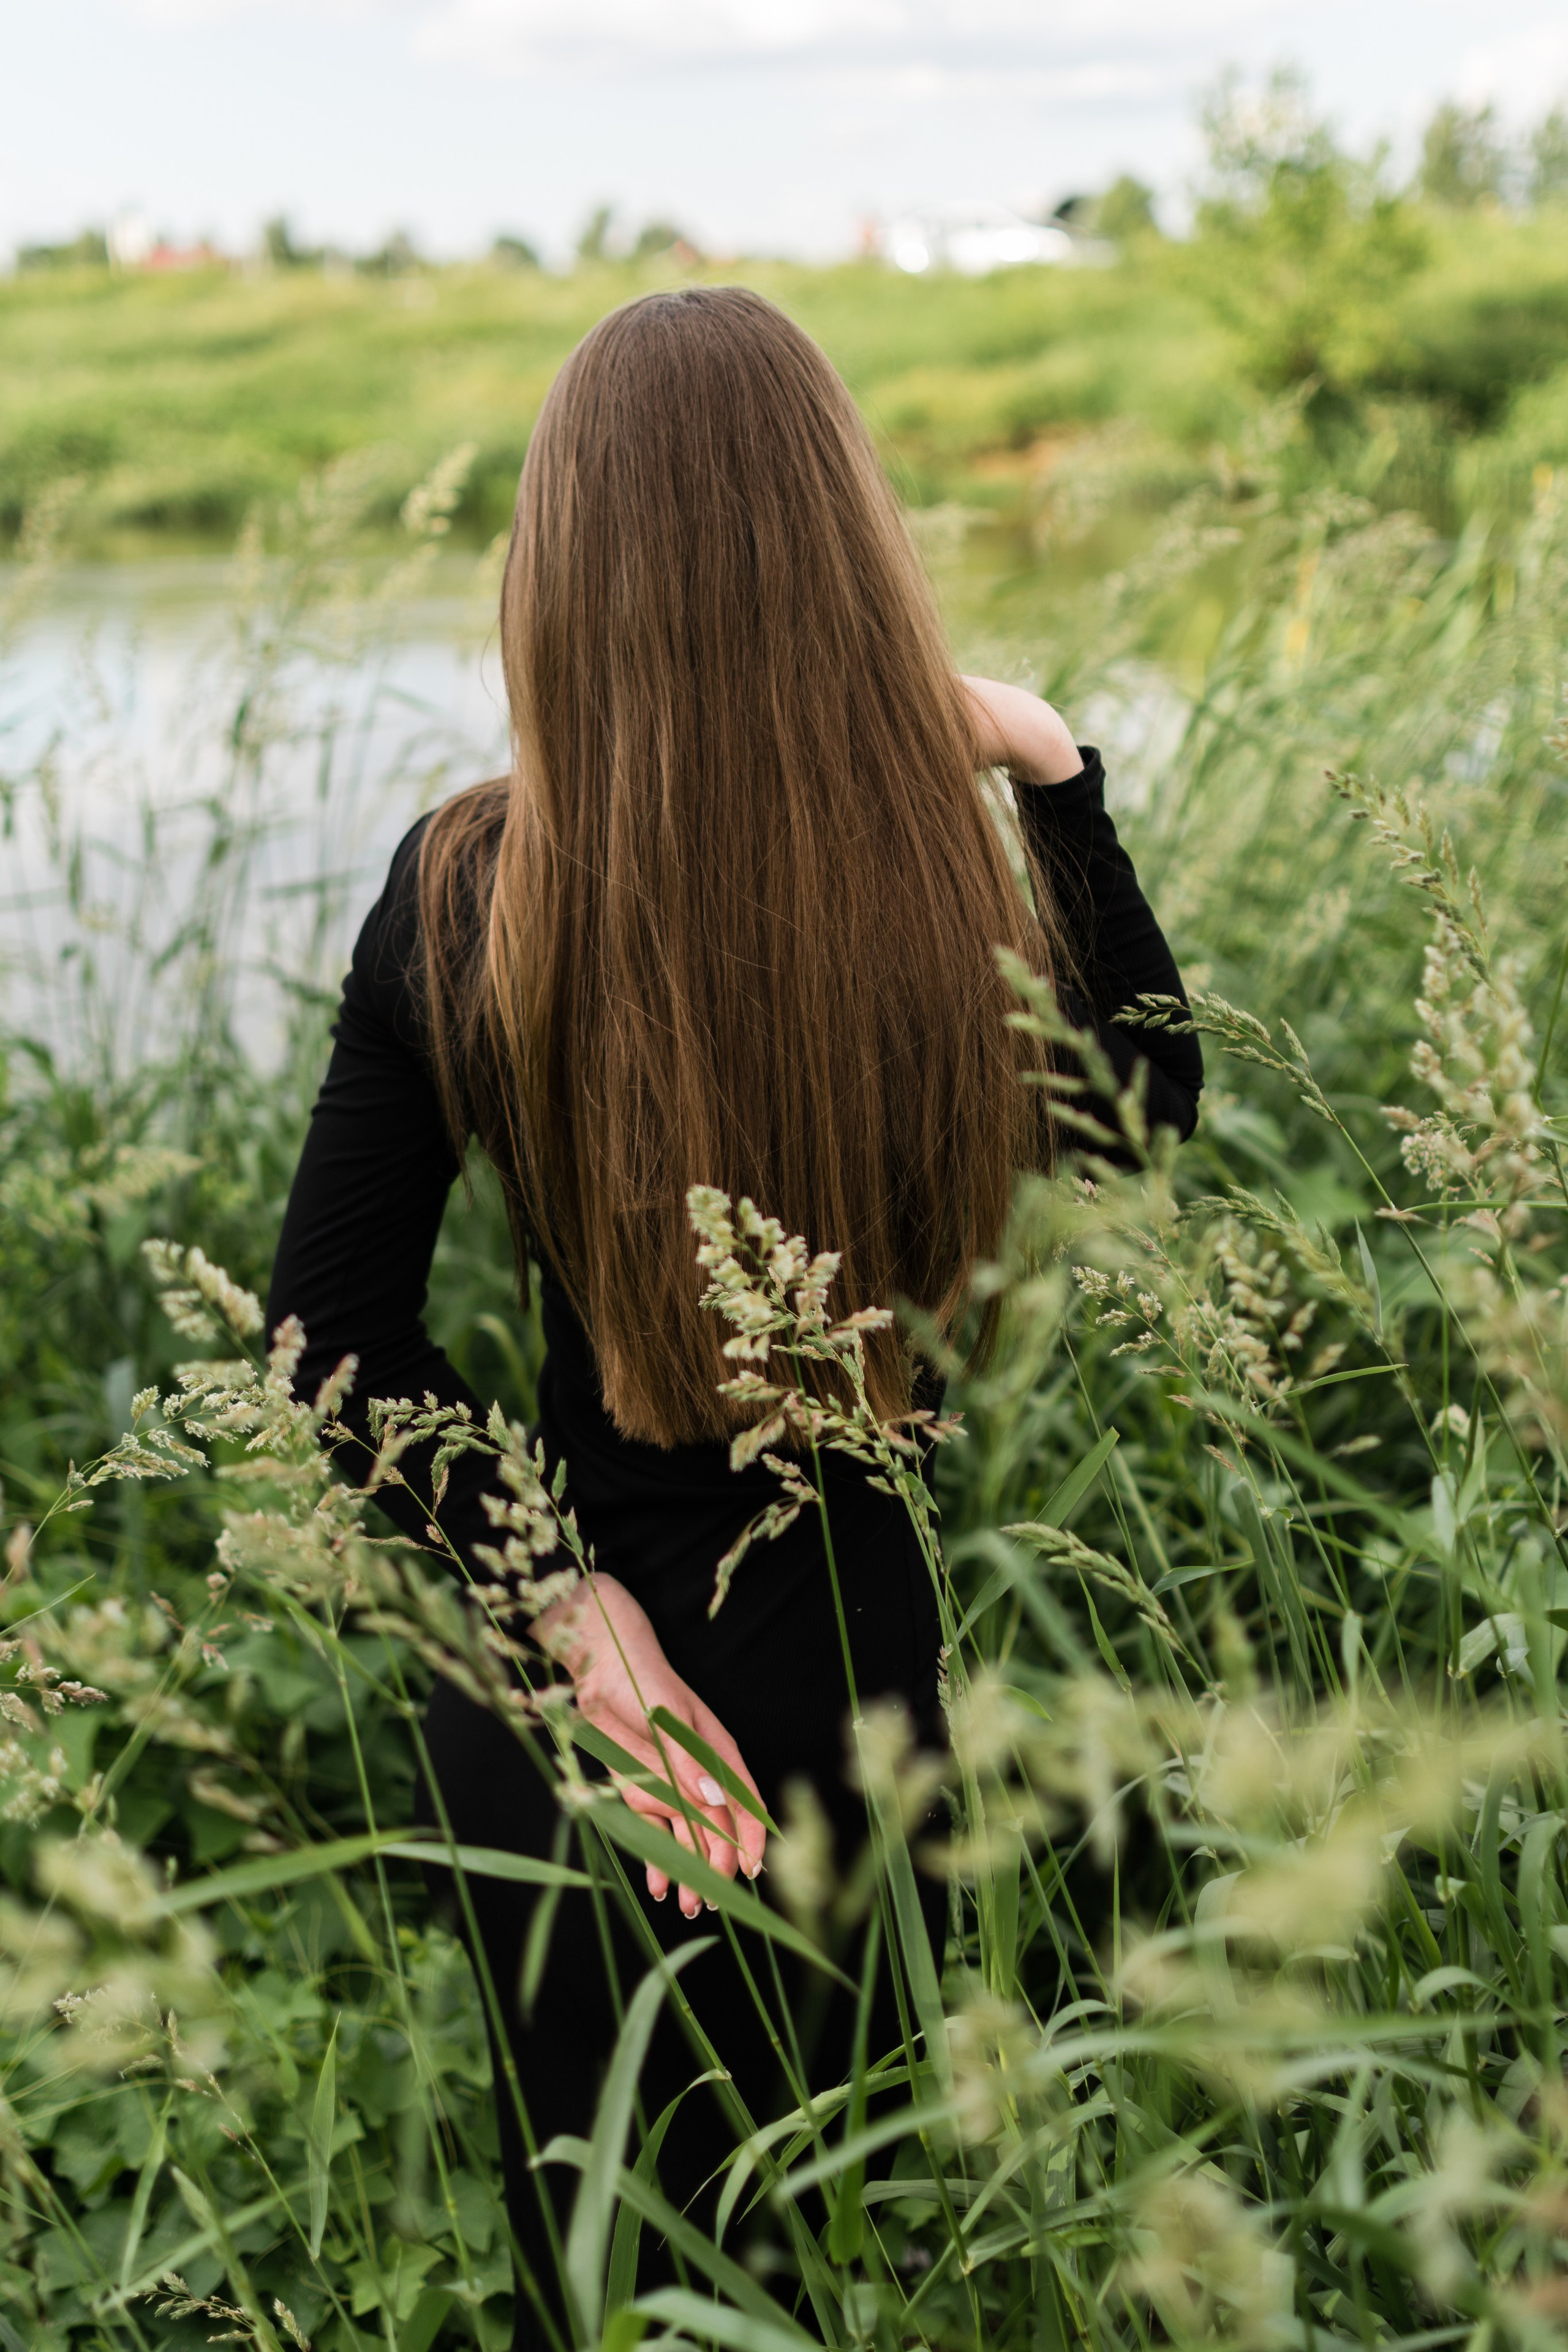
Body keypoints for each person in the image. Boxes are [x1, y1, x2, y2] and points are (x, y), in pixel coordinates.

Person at [266, 285, 1202, 2347]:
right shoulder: (935, 878)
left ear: (557, 569)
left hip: (564, 1709)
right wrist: (1050, 767)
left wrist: (569, 1614)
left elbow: (327, 1336)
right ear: (847, 548)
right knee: (828, 2265)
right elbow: (1138, 1128)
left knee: (595, 2276)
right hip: (838, 1674)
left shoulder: (464, 884)